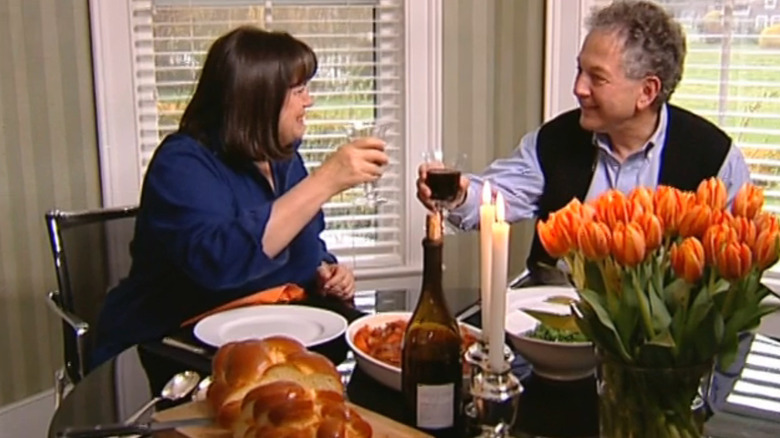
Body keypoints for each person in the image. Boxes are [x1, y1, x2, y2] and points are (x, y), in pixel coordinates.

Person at [92, 26, 388, 366]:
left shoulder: (284, 160)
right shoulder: (181, 163)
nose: (309, 100)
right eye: (299, 90)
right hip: (170, 345)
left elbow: (304, 244)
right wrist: (324, 181)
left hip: (266, 336)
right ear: (258, 97)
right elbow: (218, 264)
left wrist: (326, 271)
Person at [416, 0, 750, 285]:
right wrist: (458, 194)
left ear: (647, 92)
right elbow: (494, 196)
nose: (579, 88)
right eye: (580, 71)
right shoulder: (554, 142)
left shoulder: (715, 159)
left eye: (597, 77)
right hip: (556, 328)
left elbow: (735, 274)